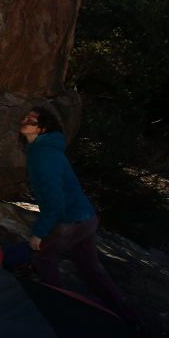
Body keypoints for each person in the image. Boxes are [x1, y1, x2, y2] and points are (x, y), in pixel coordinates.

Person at [20, 106, 140, 325]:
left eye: (31, 119)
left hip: (71, 220)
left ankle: (58, 311)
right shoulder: (46, 149)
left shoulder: (42, 154)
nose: (24, 121)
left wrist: (39, 232)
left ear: (43, 128)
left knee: (42, 257)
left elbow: (54, 200)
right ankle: (128, 317)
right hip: (87, 218)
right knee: (91, 269)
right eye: (25, 117)